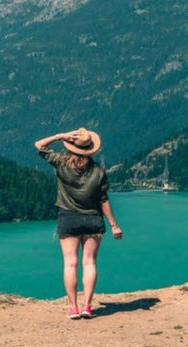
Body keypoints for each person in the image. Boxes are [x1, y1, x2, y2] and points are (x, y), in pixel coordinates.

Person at [34, 127, 122, 319]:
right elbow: (103, 200)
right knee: (89, 263)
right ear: (90, 149)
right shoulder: (98, 171)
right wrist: (114, 225)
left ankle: (73, 308)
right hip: (93, 220)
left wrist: (59, 136)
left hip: (68, 218)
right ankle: (87, 307)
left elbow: (39, 145)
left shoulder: (61, 163)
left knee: (70, 264)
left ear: (71, 146)